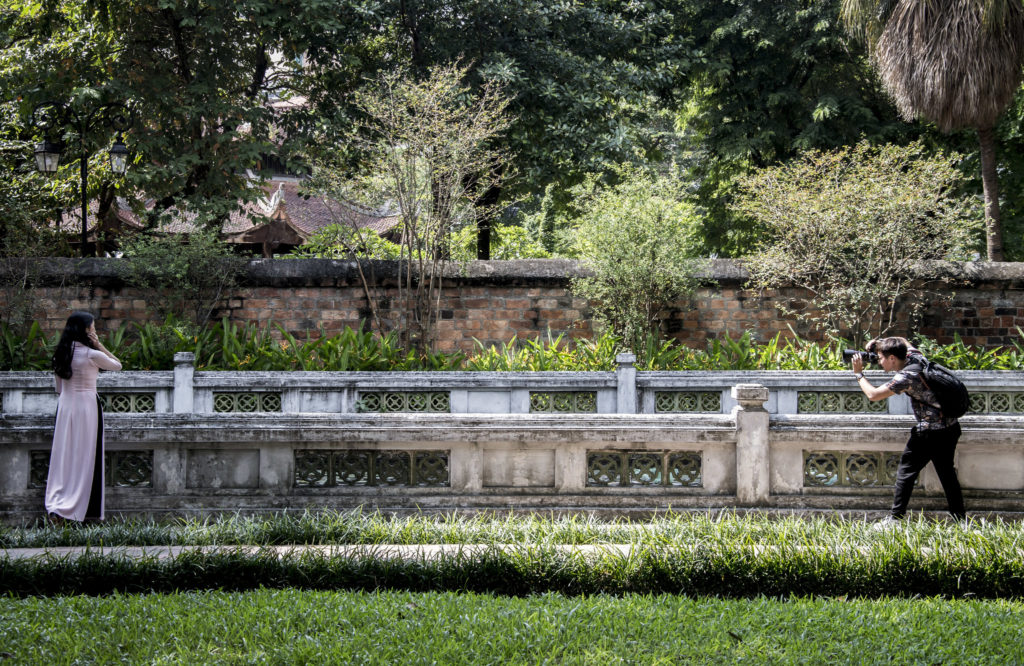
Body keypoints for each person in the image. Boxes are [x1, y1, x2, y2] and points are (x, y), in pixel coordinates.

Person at [852, 336, 966, 524]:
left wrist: (858, 373)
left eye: (880, 358)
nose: (878, 362)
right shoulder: (915, 357)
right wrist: (879, 343)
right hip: (950, 427)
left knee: (906, 472)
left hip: (930, 432)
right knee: (947, 475)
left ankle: (895, 519)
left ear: (892, 359)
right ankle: (960, 520)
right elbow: (902, 340)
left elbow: (873, 395)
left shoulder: (906, 377)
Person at [45, 311, 122, 524]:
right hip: (87, 407)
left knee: (64, 456)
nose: (95, 332)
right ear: (86, 331)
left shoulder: (60, 354)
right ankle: (80, 509)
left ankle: (57, 505)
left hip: (66, 407)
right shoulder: (92, 354)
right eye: (93, 328)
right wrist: (99, 346)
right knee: (86, 456)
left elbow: (59, 388)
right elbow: (117, 365)